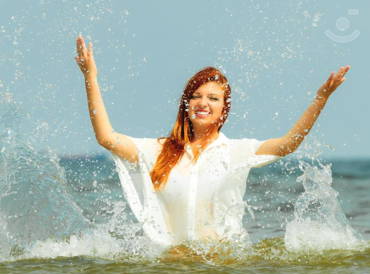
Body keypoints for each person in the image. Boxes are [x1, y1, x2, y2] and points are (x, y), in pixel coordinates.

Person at [75, 35, 350, 252]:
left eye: (213, 98)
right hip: (171, 266)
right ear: (187, 103)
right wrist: (90, 78)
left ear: (223, 110)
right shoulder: (157, 150)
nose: (203, 103)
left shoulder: (235, 151)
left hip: (223, 265)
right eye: (197, 96)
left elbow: (287, 145)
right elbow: (106, 138)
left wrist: (320, 99)